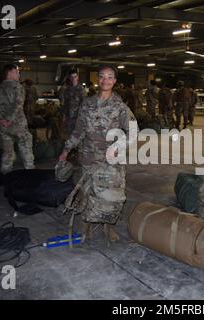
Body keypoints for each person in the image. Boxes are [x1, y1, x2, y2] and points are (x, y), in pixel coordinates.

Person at [58, 66, 138, 242]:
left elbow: (133, 131)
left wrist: (118, 146)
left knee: (111, 194)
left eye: (110, 77)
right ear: (98, 79)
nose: (105, 80)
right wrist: (66, 150)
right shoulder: (87, 104)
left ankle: (108, 226)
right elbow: (78, 131)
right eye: (102, 77)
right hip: (88, 156)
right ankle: (86, 224)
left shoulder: (119, 106)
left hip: (112, 159)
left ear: (115, 81)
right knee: (88, 192)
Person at [0, 64, 35, 174]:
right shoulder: (18, 87)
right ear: (9, 73)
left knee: (7, 153)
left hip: (4, 127)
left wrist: (0, 120)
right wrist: (9, 119)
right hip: (18, 125)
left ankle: (5, 177)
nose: (19, 75)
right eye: (17, 72)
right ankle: (31, 177)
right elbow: (18, 105)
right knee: (26, 151)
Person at [58, 69, 87, 135]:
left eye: (75, 76)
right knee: (69, 135)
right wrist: (63, 116)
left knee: (78, 137)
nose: (73, 78)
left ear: (78, 77)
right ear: (69, 78)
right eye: (72, 77)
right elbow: (65, 104)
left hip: (78, 118)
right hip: (69, 118)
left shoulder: (81, 90)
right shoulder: (67, 90)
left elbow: (84, 105)